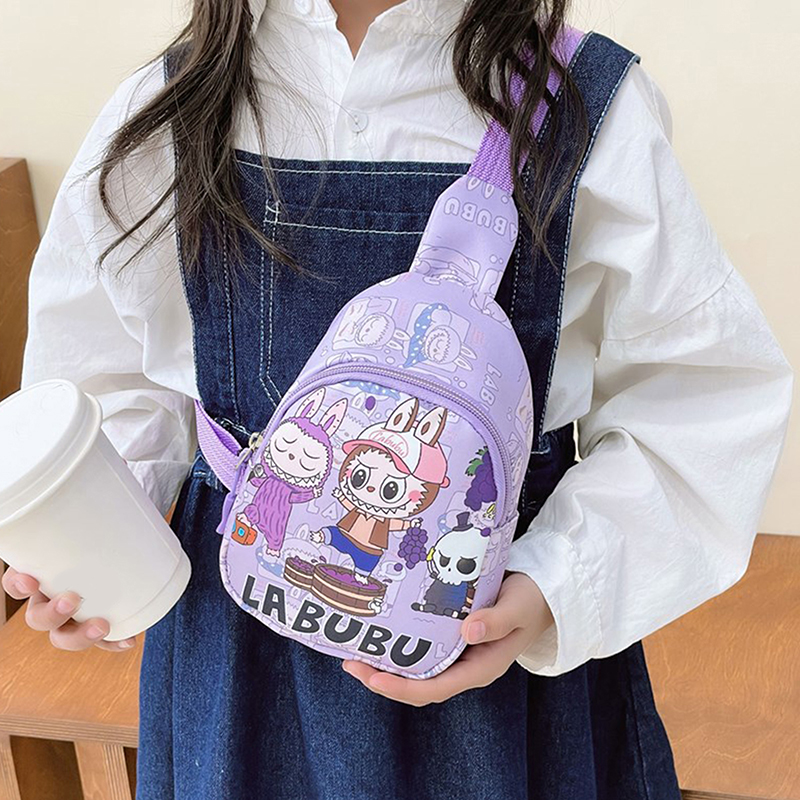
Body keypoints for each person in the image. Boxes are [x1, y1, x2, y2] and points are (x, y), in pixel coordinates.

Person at [3, 0, 793, 798]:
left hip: (492, 647)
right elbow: (110, 380)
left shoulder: (584, 104)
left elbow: (704, 401)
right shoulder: (165, 108)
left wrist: (555, 588)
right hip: (238, 649)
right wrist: (102, 534)